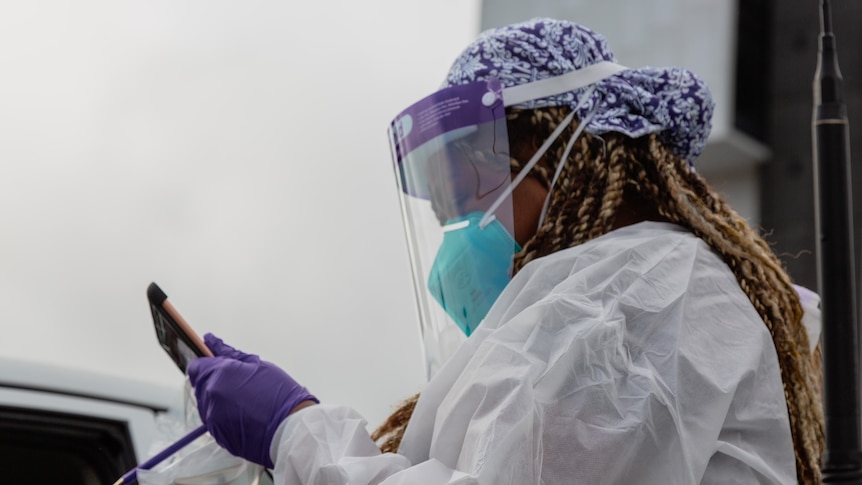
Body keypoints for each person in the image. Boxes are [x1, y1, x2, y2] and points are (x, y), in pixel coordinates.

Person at [187, 18, 824, 484]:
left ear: (560, 155)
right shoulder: (611, 296)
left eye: (468, 194)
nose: (458, 229)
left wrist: (295, 431)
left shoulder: (644, 294)